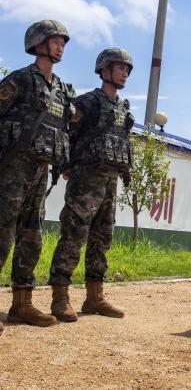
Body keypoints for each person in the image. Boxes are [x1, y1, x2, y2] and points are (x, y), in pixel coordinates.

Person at [48, 48, 135, 322]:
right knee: (73, 236)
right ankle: (60, 297)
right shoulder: (86, 103)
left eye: (127, 70)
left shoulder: (124, 108)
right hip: (86, 180)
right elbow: (67, 134)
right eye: (120, 68)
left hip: (110, 181)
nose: (124, 73)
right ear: (105, 70)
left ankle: (94, 297)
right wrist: (65, 164)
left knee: (102, 239)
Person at [0, 20, 75, 330]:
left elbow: (63, 130)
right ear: (38, 43)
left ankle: (22, 304)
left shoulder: (61, 90)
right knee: (2, 232)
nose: (60, 46)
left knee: (32, 235)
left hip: (41, 170)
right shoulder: (19, 80)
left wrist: (64, 164)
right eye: (55, 41)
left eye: (63, 43)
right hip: (12, 168)